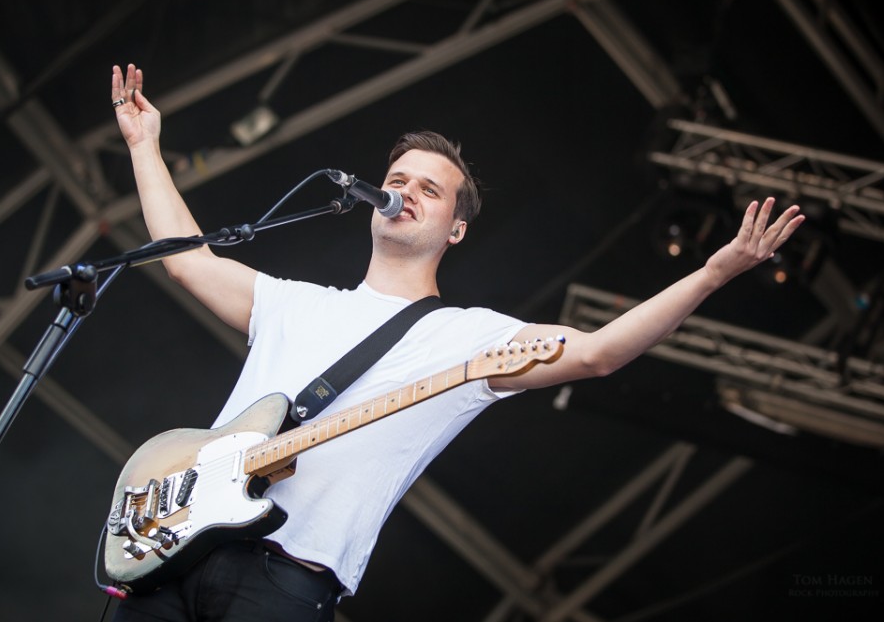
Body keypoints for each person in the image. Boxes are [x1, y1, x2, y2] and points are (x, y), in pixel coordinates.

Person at [109, 63, 804, 621]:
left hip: (283, 578)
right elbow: (186, 260)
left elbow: (600, 352)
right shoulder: (293, 302)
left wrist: (712, 274)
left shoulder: (469, 336)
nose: (405, 192)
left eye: (429, 189)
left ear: (456, 229)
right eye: (395, 181)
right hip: (175, 547)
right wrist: (144, 147)